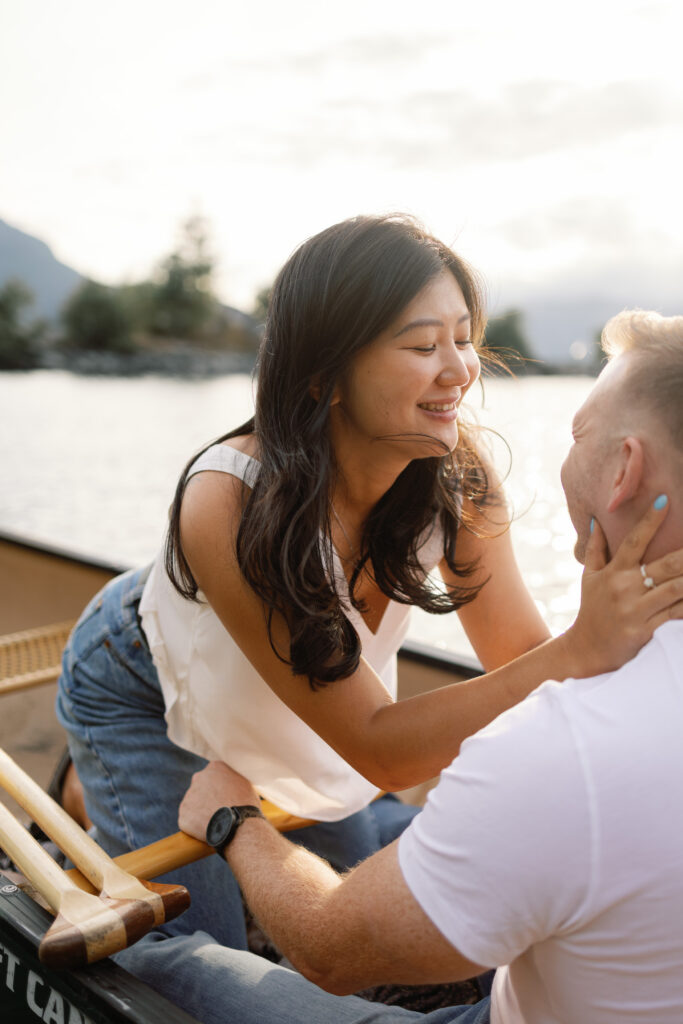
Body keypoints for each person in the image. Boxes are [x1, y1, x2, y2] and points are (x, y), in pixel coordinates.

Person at [56, 217, 681, 1005]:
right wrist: (584, 644)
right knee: (183, 961)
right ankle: (91, 785)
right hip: (149, 686)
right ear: (323, 375)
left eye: (463, 338)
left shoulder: (458, 483)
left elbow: (523, 659)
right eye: (423, 347)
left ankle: (105, 802)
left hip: (313, 713)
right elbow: (384, 754)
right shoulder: (224, 498)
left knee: (361, 911)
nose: (459, 368)